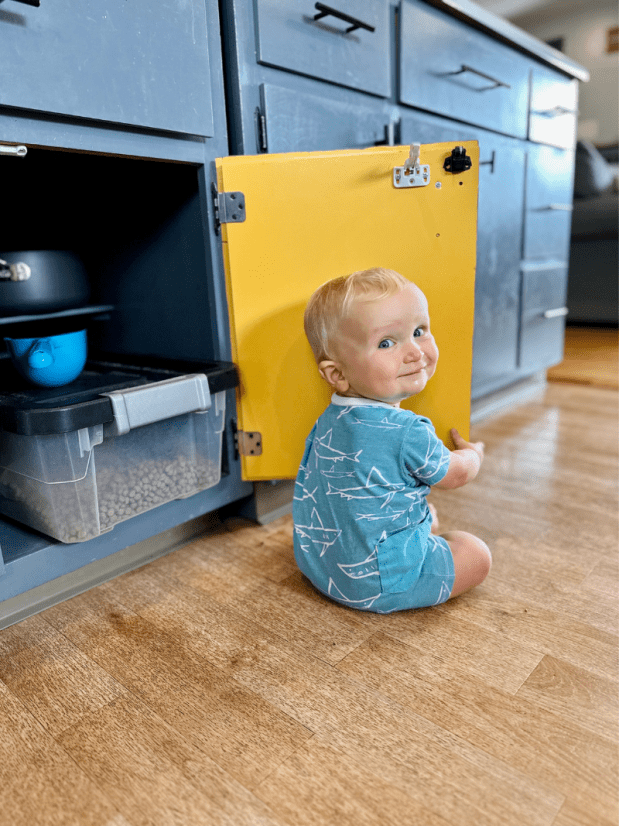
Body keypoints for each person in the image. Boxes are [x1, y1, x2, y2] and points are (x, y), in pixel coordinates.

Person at [293, 267, 491, 613]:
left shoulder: (328, 419)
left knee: (421, 511)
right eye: (387, 342)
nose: (415, 351)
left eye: (419, 331)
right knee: (475, 553)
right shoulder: (406, 430)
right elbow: (455, 475)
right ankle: (404, 573)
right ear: (337, 374)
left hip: (321, 569)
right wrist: (472, 456)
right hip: (378, 585)